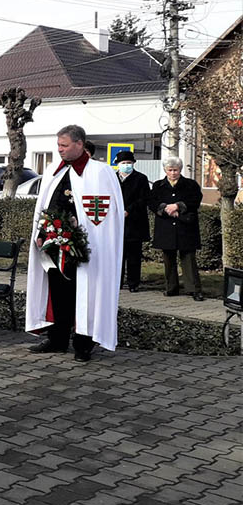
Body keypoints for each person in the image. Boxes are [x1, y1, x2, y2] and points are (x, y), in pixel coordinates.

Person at [26, 125, 123, 362]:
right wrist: (41, 232)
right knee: (58, 292)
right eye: (58, 145)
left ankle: (83, 344)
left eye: (64, 145)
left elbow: (106, 216)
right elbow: (46, 206)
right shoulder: (53, 171)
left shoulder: (100, 172)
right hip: (55, 245)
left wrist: (79, 230)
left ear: (79, 144)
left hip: (85, 247)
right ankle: (57, 339)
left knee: (85, 293)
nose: (60, 150)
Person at [150, 157, 203, 301]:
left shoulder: (190, 185)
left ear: (180, 170)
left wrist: (178, 206)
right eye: (170, 170)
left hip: (185, 226)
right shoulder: (158, 185)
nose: (173, 173)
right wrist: (165, 209)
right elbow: (152, 202)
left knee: (188, 259)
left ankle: (194, 289)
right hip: (166, 226)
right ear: (165, 171)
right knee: (168, 258)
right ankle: (171, 287)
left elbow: (195, 200)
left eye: (176, 170)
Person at [115, 150, 150, 292]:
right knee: (118, 255)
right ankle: (117, 281)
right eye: (123, 163)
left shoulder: (140, 178)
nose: (126, 166)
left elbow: (144, 198)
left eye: (129, 163)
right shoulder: (112, 178)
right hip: (116, 222)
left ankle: (133, 283)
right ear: (118, 164)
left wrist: (129, 210)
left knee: (134, 255)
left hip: (135, 222)